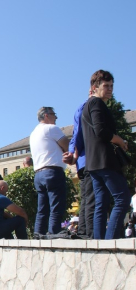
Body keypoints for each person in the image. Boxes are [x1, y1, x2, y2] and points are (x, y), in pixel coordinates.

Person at [82, 70, 130, 239]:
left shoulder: (87, 105)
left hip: (93, 162)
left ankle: (99, 241)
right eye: (106, 86)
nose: (110, 89)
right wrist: (119, 140)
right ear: (95, 87)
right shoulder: (96, 104)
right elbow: (101, 131)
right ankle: (110, 241)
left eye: (111, 86)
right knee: (122, 198)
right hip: (104, 160)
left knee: (101, 203)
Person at [30, 107, 69, 236]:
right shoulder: (51, 129)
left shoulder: (33, 133)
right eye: (54, 114)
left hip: (39, 174)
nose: (56, 118)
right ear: (46, 115)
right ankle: (54, 232)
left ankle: (38, 233)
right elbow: (67, 146)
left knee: (42, 208)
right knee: (56, 205)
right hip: (53, 171)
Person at [63, 92, 95, 239]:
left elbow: (76, 134)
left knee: (87, 199)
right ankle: (88, 233)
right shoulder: (88, 107)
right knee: (91, 199)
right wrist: (74, 154)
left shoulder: (82, 108)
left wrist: (73, 153)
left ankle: (83, 232)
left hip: (83, 161)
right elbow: (78, 134)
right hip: (88, 160)